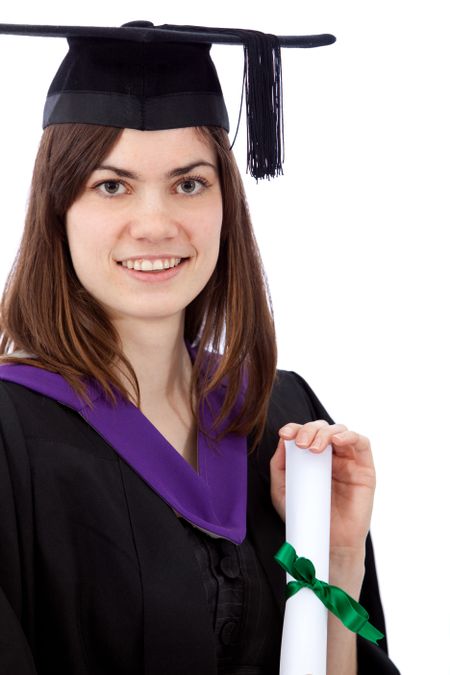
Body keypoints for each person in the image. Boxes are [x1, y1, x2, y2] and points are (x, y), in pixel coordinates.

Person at [0, 21, 400, 675]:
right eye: (111, 184)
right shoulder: (11, 438)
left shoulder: (282, 417)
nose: (156, 223)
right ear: (56, 207)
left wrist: (333, 568)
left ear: (225, 203)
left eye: (189, 183)